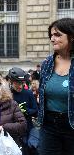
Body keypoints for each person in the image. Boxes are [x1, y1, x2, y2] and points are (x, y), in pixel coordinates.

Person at [38, 18, 74, 155]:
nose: (52, 39)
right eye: (51, 35)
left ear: (71, 37)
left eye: (58, 35)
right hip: (49, 125)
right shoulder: (47, 63)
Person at [6, 67, 38, 155]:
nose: (20, 86)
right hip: (12, 131)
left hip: (27, 129)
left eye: (22, 83)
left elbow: (36, 111)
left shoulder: (28, 93)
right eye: (17, 83)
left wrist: (25, 110)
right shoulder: (7, 94)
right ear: (11, 82)